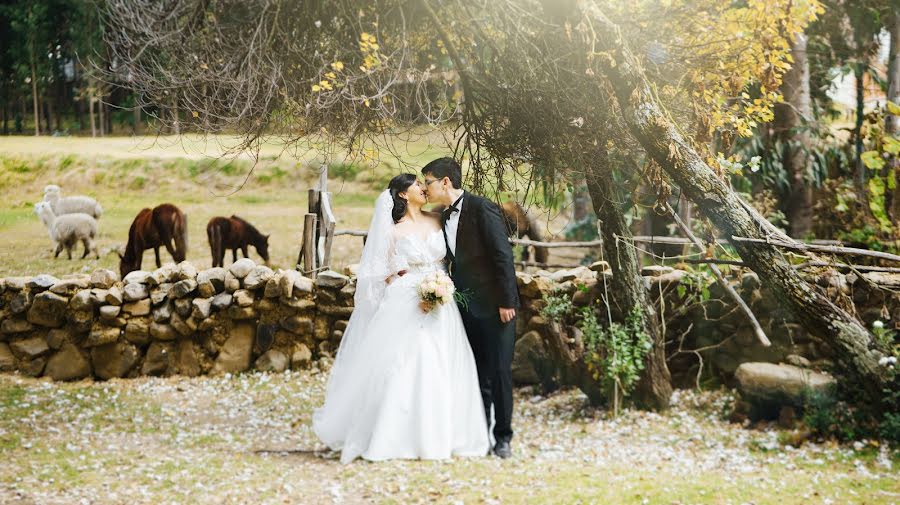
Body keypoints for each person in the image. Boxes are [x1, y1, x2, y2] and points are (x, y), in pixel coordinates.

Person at [312, 173, 490, 464]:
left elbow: (450, 255)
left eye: (424, 184)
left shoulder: (437, 219)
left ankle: (444, 434)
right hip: (407, 300)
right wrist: (407, 287)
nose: (423, 188)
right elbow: (378, 272)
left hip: (442, 300)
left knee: (442, 360)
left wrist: (439, 287)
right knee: (408, 361)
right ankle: (393, 434)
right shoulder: (391, 230)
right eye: (417, 185)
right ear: (403, 195)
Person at [421, 157, 520, 459]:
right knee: (477, 373)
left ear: (445, 182)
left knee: (501, 371)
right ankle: (481, 434)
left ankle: (503, 437)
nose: (425, 188)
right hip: (463, 307)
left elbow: (503, 256)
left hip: (495, 306)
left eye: (428, 182)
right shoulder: (441, 215)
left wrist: (507, 301)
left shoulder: (482, 208)